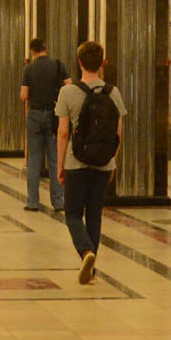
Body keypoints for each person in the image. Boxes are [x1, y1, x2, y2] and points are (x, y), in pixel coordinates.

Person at [55, 40, 125, 284]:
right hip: (103, 163)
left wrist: (60, 164)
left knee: (73, 213)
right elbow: (118, 132)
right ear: (102, 63)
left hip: (76, 162)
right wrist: (112, 161)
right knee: (94, 214)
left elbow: (63, 132)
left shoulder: (67, 93)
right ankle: (92, 270)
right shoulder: (113, 92)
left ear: (79, 62)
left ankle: (86, 252)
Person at [20, 36, 68, 214]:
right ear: (46, 48)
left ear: (32, 52)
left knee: (34, 159)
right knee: (55, 159)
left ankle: (33, 202)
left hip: (34, 115)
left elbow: (24, 95)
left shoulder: (29, 69)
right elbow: (69, 86)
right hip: (54, 114)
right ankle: (58, 201)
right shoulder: (58, 65)